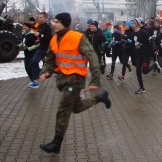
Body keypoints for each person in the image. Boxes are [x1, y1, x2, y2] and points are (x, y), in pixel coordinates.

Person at [38, 12, 111, 154]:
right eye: (53, 21)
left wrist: (95, 79)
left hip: (76, 79)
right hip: (63, 79)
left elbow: (93, 57)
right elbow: (49, 59)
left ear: (66, 24)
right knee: (76, 107)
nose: (54, 24)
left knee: (63, 109)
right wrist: (45, 72)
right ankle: (100, 98)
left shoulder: (78, 38)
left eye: (57, 22)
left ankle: (56, 143)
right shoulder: (54, 40)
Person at [131, 18, 161, 94]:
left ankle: (155, 64)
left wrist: (154, 48)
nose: (132, 25)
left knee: (144, 71)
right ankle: (142, 88)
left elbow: (151, 40)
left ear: (137, 24)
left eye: (133, 23)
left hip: (145, 55)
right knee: (138, 71)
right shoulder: (133, 33)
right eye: (131, 23)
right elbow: (133, 44)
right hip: (138, 55)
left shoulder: (143, 32)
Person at [28, 12, 53, 88]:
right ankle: (38, 77)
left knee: (34, 61)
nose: (39, 18)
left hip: (45, 48)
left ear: (45, 18)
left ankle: (37, 80)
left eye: (41, 17)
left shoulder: (47, 26)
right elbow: (42, 37)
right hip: (41, 46)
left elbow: (49, 37)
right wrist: (38, 40)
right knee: (35, 62)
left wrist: (40, 35)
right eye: (38, 17)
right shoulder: (40, 26)